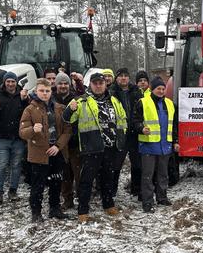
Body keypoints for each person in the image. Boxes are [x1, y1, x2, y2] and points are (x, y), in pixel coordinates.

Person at [64, 72, 128, 222]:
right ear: (91, 85)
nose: (98, 86)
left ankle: (108, 205)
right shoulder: (81, 101)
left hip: (110, 146)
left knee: (108, 177)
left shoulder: (114, 100)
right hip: (91, 147)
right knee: (86, 180)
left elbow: (123, 118)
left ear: (105, 84)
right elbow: (67, 118)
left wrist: (121, 136)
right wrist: (70, 109)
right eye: (95, 83)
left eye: (101, 83)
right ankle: (83, 210)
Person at [19, 78, 71, 222]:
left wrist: (57, 146)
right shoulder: (29, 109)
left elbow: (67, 130)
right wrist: (32, 130)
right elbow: (22, 132)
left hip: (57, 152)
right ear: (36, 91)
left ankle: (55, 209)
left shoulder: (59, 108)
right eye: (41, 91)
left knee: (56, 182)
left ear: (51, 92)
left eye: (47, 91)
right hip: (38, 154)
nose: (45, 93)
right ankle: (36, 212)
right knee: (38, 185)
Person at [133, 76, 179, 212]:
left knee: (163, 174)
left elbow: (174, 125)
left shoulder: (170, 104)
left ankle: (162, 197)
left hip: (165, 146)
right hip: (148, 146)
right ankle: (147, 202)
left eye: (163, 89)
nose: (161, 91)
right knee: (147, 176)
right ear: (152, 89)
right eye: (158, 88)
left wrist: (175, 141)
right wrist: (141, 128)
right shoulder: (142, 102)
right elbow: (135, 121)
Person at [0, 71, 29, 205]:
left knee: (16, 166)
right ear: (4, 82)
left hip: (18, 137)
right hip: (2, 137)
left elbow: (27, 112)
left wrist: (24, 100)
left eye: (13, 81)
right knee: (2, 165)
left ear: (16, 82)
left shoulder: (22, 95)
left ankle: (13, 191)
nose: (10, 84)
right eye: (8, 81)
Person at [109, 67, 143, 198]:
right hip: (119, 133)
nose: (123, 78)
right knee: (116, 163)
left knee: (137, 163)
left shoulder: (136, 91)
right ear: (116, 78)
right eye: (120, 75)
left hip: (135, 133)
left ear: (129, 78)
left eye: (126, 75)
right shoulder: (111, 92)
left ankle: (136, 189)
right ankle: (112, 191)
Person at [56, 72, 81, 210]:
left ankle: (81, 199)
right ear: (56, 85)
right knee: (64, 175)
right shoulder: (52, 99)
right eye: (60, 83)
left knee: (78, 174)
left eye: (66, 83)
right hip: (60, 143)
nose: (63, 86)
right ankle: (67, 199)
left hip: (75, 141)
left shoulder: (76, 98)